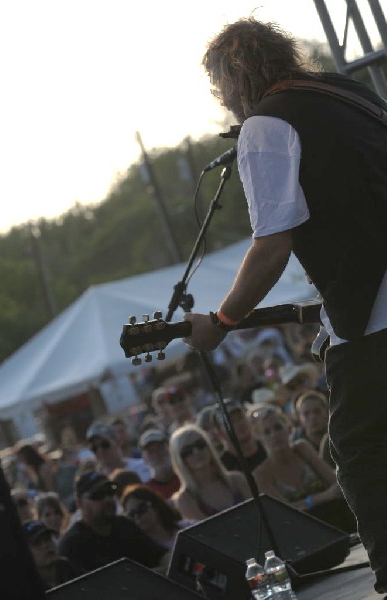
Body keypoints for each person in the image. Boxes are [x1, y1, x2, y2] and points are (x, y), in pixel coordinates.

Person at [183, 16, 387, 594]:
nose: (222, 101)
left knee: (361, 450)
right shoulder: (347, 91)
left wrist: (222, 321)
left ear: (236, 75)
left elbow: (271, 247)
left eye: (220, 87)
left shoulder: (267, 126)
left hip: (376, 314)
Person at [252, 406, 356, 533]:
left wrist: (307, 503)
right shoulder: (261, 474)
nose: (274, 435)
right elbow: (285, 512)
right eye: (267, 432)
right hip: (302, 530)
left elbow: (335, 484)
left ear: (289, 429)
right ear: (260, 438)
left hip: (335, 517)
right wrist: (323, 497)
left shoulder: (302, 448)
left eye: (278, 428)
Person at [59, 471, 168, 574]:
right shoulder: (72, 544)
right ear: (79, 503)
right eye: (98, 494)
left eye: (110, 491)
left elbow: (162, 556)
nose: (107, 499)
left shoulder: (124, 525)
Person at [169, 424, 251, 520]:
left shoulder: (237, 481)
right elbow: (206, 532)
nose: (196, 452)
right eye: (187, 451)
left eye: (200, 444)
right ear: (180, 460)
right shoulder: (185, 499)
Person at [122, 484, 195, 550]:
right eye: (131, 514)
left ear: (155, 506)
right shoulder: (145, 553)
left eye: (141, 509)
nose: (137, 517)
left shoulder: (187, 527)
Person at [23, 520, 82, 590]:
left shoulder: (66, 566)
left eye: (48, 539)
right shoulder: (26, 585)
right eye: (37, 543)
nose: (46, 545)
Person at [85, 421, 151, 482]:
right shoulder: (96, 481)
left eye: (105, 445)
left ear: (117, 442)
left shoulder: (142, 467)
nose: (100, 451)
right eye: (94, 448)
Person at [213, 399, 267, 472]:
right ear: (220, 433)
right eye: (231, 422)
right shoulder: (221, 469)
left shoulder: (269, 448)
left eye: (241, 417)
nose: (239, 424)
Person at [138, 428, 180, 500]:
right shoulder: (146, 492)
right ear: (144, 458)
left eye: (160, 448)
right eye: (151, 451)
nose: (157, 454)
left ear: (170, 449)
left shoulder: (185, 479)